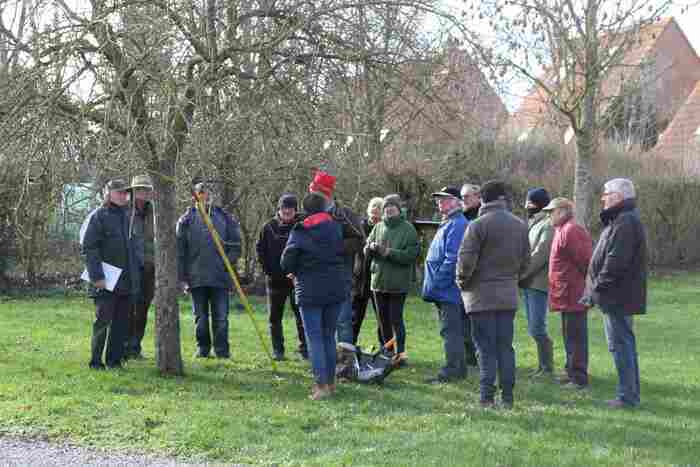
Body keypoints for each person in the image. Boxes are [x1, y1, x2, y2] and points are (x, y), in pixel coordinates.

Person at [457, 181, 530, 408]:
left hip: (480, 297)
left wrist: (461, 282)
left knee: (485, 349)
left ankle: (486, 397)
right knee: (505, 347)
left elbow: (465, 262)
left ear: (484, 199)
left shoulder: (477, 225)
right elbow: (526, 262)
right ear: (503, 199)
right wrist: (512, 280)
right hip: (508, 296)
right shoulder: (520, 225)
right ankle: (508, 397)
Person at [583, 178, 647, 408]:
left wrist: (596, 288)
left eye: (606, 193)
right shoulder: (620, 219)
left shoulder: (625, 221)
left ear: (619, 197)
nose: (603, 197)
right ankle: (629, 394)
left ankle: (627, 397)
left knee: (621, 345)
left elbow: (615, 262)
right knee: (622, 345)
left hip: (618, 295)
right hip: (615, 294)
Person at [281, 192, 347, 400]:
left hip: (309, 289)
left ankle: (321, 386)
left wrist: (293, 268)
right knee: (329, 335)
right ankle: (331, 383)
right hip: (335, 287)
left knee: (315, 338)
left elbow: (286, 261)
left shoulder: (300, 231)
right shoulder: (336, 227)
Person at [176, 181, 242, 359]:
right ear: (195, 196)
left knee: (221, 317)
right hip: (196, 277)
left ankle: (222, 351)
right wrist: (181, 278)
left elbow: (236, 245)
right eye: (201, 193)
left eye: (208, 193)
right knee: (201, 318)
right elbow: (179, 251)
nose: (205, 196)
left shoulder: (225, 217)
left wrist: (226, 262)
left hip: (220, 277)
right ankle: (203, 349)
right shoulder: (186, 220)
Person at [82, 179, 140, 370]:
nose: (125, 195)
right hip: (105, 280)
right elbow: (90, 248)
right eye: (121, 192)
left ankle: (114, 361)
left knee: (121, 324)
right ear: (109, 193)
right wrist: (97, 276)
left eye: (126, 193)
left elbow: (132, 250)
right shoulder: (98, 216)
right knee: (102, 322)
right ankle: (96, 362)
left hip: (126, 281)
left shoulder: (129, 216)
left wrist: (135, 280)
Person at [307, 165, 365, 357]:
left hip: (340, 276)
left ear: (326, 194)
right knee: (318, 321)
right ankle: (322, 359)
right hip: (314, 277)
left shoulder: (345, 214)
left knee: (342, 320)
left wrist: (334, 246)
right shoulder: (308, 213)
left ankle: (345, 361)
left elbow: (359, 239)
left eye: (316, 192)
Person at [543, 197, 593, 390]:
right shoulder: (561, 230)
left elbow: (586, 261)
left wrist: (583, 287)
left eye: (551, 212)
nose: (549, 216)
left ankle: (579, 378)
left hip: (574, 293)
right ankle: (570, 371)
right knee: (568, 334)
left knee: (576, 336)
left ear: (563, 211)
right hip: (565, 293)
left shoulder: (572, 230)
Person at [364, 194, 420, 366]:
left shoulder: (408, 229)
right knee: (383, 320)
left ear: (399, 210)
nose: (389, 212)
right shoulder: (378, 226)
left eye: (392, 209)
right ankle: (387, 352)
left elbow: (412, 254)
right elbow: (366, 247)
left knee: (396, 319)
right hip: (378, 282)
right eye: (386, 210)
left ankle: (400, 354)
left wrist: (389, 253)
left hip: (398, 283)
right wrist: (371, 248)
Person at [422, 186, 469, 383]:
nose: (440, 202)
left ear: (457, 202)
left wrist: (438, 283)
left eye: (445, 199)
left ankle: (453, 370)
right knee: (450, 331)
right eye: (439, 199)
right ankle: (458, 369)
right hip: (444, 289)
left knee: (451, 331)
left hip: (448, 290)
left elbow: (452, 259)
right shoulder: (449, 222)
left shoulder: (457, 224)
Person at [256, 193, 307, 361]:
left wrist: (298, 271)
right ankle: (278, 350)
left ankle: (305, 350)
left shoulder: (302, 227)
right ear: (279, 209)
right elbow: (260, 250)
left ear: (295, 210)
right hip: (274, 280)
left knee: (301, 316)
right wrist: (268, 271)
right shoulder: (268, 227)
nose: (287, 212)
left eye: (290, 209)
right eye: (284, 209)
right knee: (274, 317)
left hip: (296, 279)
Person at [519, 188, 555, 377]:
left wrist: (521, 274)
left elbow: (540, 255)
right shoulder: (533, 222)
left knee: (537, 328)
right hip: (528, 282)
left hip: (537, 284)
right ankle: (542, 366)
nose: (527, 206)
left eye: (531, 203)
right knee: (534, 327)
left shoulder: (547, 225)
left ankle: (547, 367)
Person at [125, 175, 156, 360]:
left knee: (143, 308)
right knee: (129, 308)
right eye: (139, 190)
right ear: (133, 191)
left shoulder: (155, 212)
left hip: (149, 267)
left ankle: (136, 346)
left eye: (145, 190)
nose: (143, 193)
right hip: (130, 267)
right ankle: (125, 345)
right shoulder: (126, 212)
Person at [351, 197, 384, 345]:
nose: (374, 219)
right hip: (360, 277)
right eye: (372, 215)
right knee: (355, 317)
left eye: (377, 216)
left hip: (379, 277)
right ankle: (349, 348)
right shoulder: (359, 227)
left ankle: (387, 350)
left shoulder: (386, 229)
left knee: (383, 319)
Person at [460, 183, 481, 368]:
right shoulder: (462, 217)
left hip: (477, 278)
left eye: (467, 196)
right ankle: (469, 357)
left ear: (478, 197)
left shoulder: (479, 218)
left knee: (475, 322)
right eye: (462, 197)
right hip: (463, 276)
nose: (463, 200)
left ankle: (477, 357)